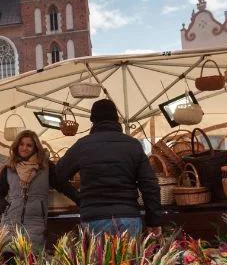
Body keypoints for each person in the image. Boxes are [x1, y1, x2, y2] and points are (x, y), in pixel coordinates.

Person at [55, 98, 163, 236]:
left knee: (98, 258)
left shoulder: (82, 145)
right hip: (128, 216)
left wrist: (79, 198)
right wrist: (154, 220)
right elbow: (150, 185)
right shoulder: (133, 145)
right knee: (130, 258)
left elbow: (58, 175)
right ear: (116, 118)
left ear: (93, 120)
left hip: (94, 218)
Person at [0, 130, 79, 251]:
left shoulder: (46, 168)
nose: (24, 148)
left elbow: (63, 186)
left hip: (35, 224)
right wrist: (4, 206)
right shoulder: (9, 169)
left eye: (29, 145)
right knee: (9, 260)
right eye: (21, 144)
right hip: (10, 222)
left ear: (35, 148)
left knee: (32, 261)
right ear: (17, 146)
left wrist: (82, 200)